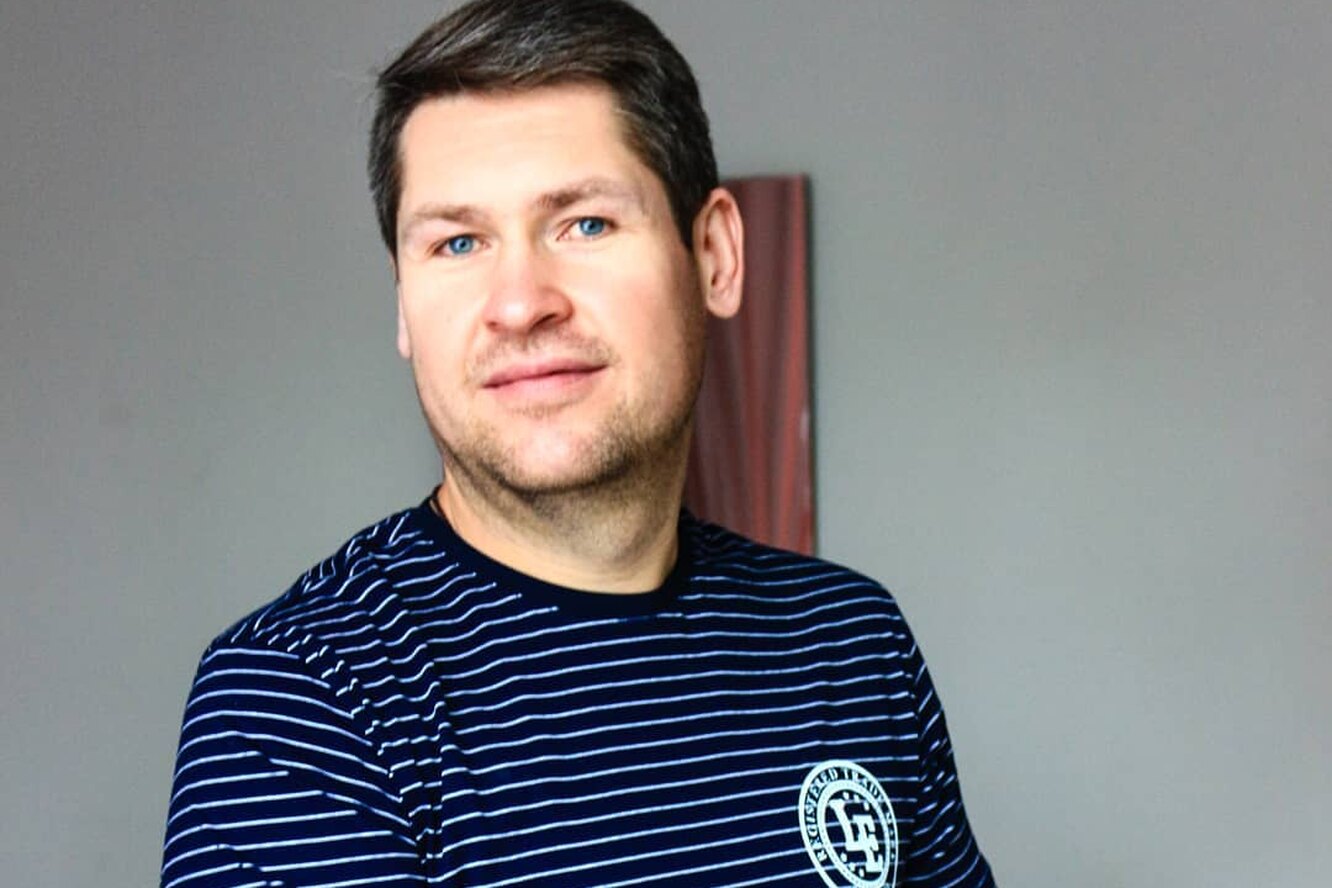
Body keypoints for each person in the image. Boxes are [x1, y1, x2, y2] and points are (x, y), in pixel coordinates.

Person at [161, 1, 996, 886]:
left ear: (714, 255)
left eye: (585, 224)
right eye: (457, 242)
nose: (521, 303)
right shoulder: (301, 700)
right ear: (403, 303)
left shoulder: (850, 644)